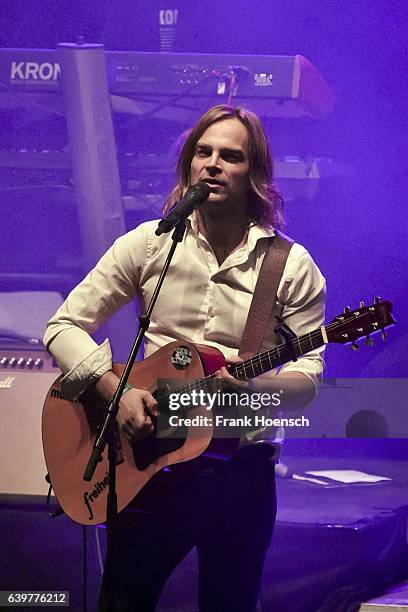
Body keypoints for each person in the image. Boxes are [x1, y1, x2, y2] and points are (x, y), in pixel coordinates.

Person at [44, 104, 326, 611]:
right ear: (189, 165)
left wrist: (256, 392)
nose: (213, 164)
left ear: (255, 174)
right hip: (151, 466)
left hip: (243, 471)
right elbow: (63, 326)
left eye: (231, 156)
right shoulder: (150, 244)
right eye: (204, 152)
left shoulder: (290, 264)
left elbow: (309, 376)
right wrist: (118, 391)